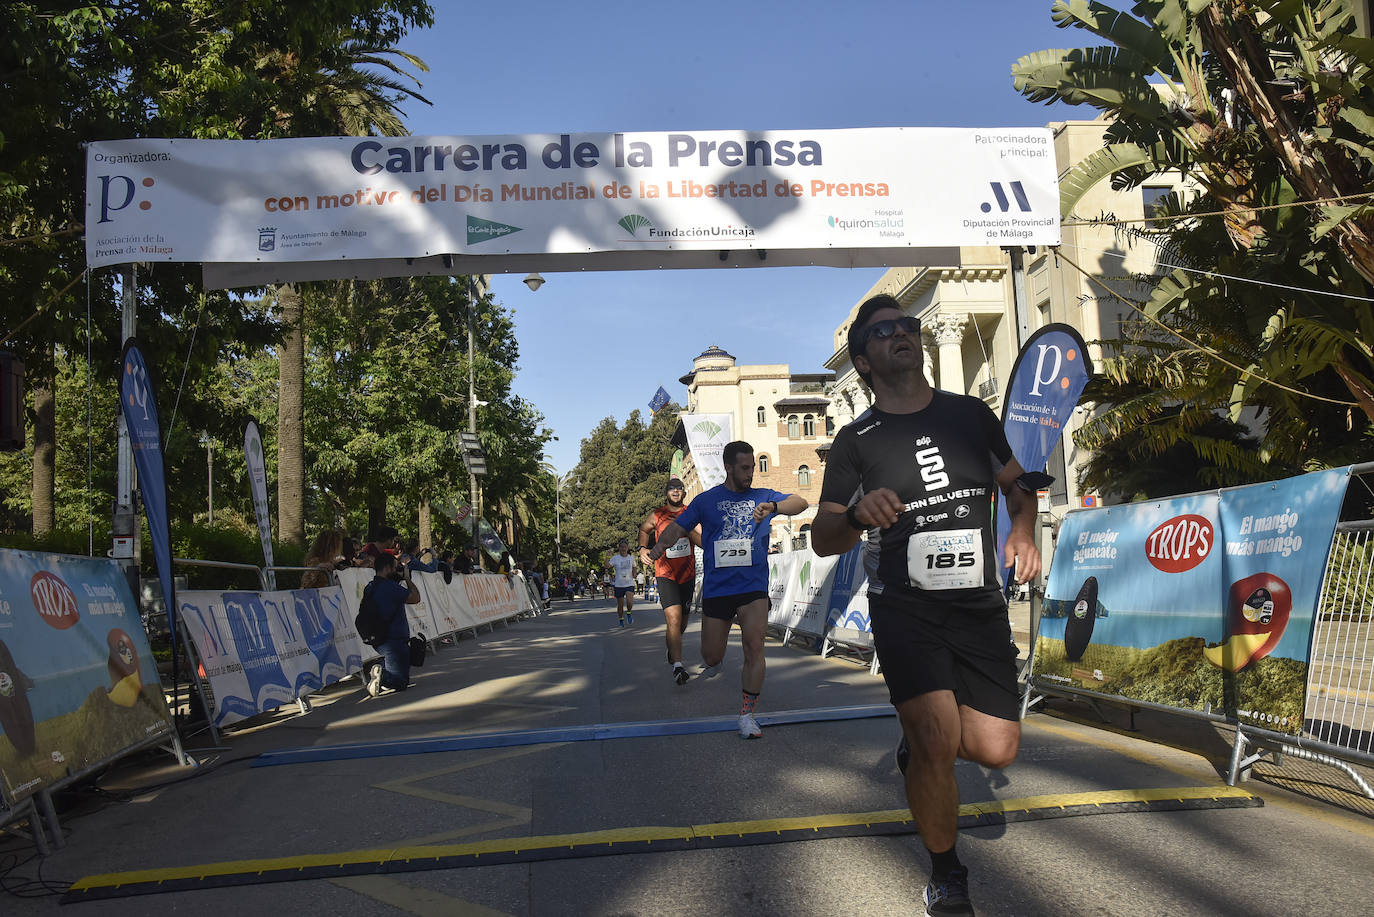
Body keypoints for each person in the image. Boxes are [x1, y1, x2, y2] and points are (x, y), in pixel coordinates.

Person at [811, 294, 1042, 917]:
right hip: (903, 607)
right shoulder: (854, 441)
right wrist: (857, 514)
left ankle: (918, 751)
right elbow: (823, 535)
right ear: (863, 361)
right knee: (939, 738)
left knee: (996, 749)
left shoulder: (971, 416)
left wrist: (1023, 530)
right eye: (884, 332)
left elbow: (1020, 492)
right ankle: (947, 876)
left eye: (907, 326)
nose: (901, 335)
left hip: (978, 605)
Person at [648, 441, 807, 738]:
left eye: (753, 467)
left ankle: (747, 715)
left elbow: (800, 503)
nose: (751, 474)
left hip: (753, 587)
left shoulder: (763, 496)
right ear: (729, 467)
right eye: (745, 468)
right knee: (710, 656)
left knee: (754, 646)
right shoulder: (706, 501)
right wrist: (658, 546)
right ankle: (714, 662)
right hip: (718, 589)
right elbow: (679, 527)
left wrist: (773, 507)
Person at [639, 476, 701, 685]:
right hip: (665, 573)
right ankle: (678, 666)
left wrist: (688, 529)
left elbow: (702, 540)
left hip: (687, 574)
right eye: (672, 489)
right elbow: (643, 530)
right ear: (666, 492)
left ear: (683, 493)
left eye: (679, 489)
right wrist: (642, 548)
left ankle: (672, 649)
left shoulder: (691, 514)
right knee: (673, 619)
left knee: (682, 622)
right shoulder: (657, 515)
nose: (675, 491)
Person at [364, 552, 421, 697]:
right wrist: (407, 578)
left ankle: (382, 670)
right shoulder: (390, 587)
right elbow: (415, 598)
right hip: (394, 641)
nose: (397, 572)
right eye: (396, 568)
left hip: (378, 637)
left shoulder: (370, 587)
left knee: (402, 674)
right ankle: (382, 674)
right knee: (400, 682)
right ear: (387, 568)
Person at [605, 539, 638, 626]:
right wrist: (607, 556)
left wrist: (634, 573)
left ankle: (628, 612)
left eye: (625, 547)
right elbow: (607, 566)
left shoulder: (631, 558)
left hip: (629, 583)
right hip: (619, 585)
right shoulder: (615, 558)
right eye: (621, 547)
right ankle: (621, 618)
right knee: (620, 605)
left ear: (628, 548)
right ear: (619, 548)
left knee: (630, 601)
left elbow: (634, 566)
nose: (623, 548)